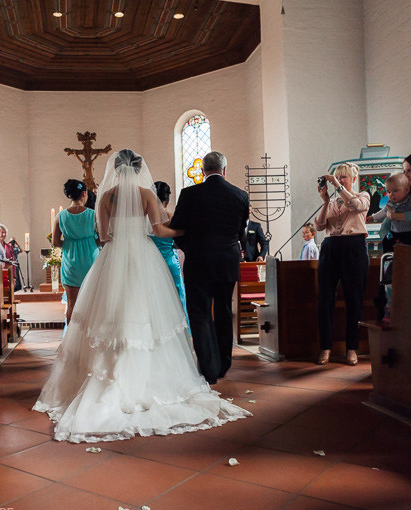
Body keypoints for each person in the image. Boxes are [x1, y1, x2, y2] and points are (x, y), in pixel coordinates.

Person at [33, 149, 250, 442]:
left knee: (111, 312)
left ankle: (107, 374)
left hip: (112, 256)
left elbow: (103, 236)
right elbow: (160, 229)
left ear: (116, 169)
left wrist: (120, 238)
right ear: (138, 169)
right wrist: (187, 231)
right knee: (146, 312)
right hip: (144, 257)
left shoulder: (107, 196)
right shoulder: (147, 194)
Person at [170, 151, 249, 384]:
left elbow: (177, 230)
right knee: (224, 310)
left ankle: (209, 369)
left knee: (200, 312)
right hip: (228, 259)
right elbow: (240, 231)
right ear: (224, 170)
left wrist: (191, 247)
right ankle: (224, 364)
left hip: (199, 261)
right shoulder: (240, 195)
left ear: (202, 171)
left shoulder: (189, 194)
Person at [314, 162, 370, 366]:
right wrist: (325, 201)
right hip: (330, 247)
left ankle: (352, 349)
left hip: (354, 246)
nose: (340, 180)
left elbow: (357, 207)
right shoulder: (333, 201)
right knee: (325, 299)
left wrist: (338, 187)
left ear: (353, 179)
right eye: (338, 176)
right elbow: (320, 226)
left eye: (344, 177)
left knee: (354, 300)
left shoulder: (362, 195)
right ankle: (325, 347)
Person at [53, 179, 99, 324]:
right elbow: (103, 239)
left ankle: (71, 340)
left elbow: (55, 242)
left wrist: (69, 243)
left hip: (71, 262)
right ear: (84, 194)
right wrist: (92, 242)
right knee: (92, 304)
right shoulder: (93, 214)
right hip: (91, 260)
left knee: (72, 304)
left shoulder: (61, 216)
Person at [151, 181, 188, 324]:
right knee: (177, 295)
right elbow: (178, 242)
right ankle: (179, 327)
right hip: (169, 260)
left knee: (154, 296)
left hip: (151, 262)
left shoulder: (145, 218)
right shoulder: (171, 217)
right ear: (168, 199)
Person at [368, 173, 411, 251]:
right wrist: (373, 217)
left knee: (409, 246)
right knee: (387, 241)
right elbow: (383, 212)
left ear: (406, 190)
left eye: (395, 191)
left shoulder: (410, 201)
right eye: (388, 192)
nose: (391, 194)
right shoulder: (391, 203)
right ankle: (389, 260)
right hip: (396, 232)